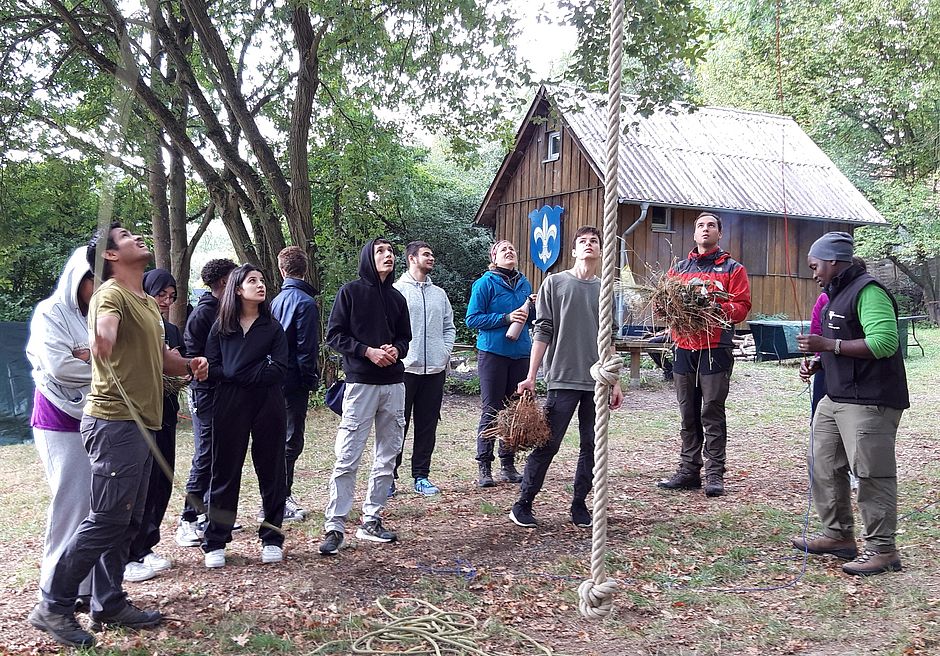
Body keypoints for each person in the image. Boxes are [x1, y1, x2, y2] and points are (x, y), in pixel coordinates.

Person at [28, 222, 207, 649]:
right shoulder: (110, 295)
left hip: (142, 423)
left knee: (127, 519)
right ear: (110, 256)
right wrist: (100, 343)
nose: (138, 236)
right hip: (114, 423)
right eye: (126, 236)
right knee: (107, 518)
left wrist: (190, 364)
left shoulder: (144, 300)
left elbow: (163, 359)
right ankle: (52, 605)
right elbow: (104, 329)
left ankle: (108, 601)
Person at [794, 232, 909, 576]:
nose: (813, 272)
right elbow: (838, 342)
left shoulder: (869, 291)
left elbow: (884, 342)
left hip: (871, 400)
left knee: (872, 473)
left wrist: (829, 347)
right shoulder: (834, 293)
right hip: (837, 395)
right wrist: (819, 360)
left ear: (832, 261)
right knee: (823, 462)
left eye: (815, 265)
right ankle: (838, 535)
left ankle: (882, 549)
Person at [510, 226, 624, 528]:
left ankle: (579, 504)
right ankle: (523, 503)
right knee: (549, 443)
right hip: (562, 376)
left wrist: (615, 381)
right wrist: (531, 376)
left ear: (600, 251)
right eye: (583, 242)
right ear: (573, 250)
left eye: (594, 242)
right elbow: (543, 330)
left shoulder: (605, 289)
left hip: (597, 381)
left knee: (592, 445)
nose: (589, 245)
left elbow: (610, 337)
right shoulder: (555, 283)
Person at [318, 238, 411, 556]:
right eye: (381, 251)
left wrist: (396, 349)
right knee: (348, 456)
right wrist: (367, 351)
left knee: (388, 456)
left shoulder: (398, 298)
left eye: (391, 252)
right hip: (360, 385)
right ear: (368, 258)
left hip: (394, 385)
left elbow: (405, 338)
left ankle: (371, 520)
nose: (388, 256)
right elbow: (334, 335)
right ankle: (335, 525)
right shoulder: (351, 292)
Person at [656, 212, 751, 497]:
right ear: (694, 234)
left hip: (715, 347)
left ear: (719, 233)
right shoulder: (680, 270)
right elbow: (664, 307)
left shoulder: (733, 269)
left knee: (711, 410)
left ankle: (714, 474)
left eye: (711, 225)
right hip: (684, 346)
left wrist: (715, 308)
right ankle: (688, 471)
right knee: (687, 411)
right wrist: (666, 308)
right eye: (700, 226)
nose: (705, 229)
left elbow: (743, 306)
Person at [202, 264, 289, 568]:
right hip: (229, 404)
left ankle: (272, 537)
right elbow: (211, 369)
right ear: (237, 289)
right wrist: (240, 371)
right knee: (224, 471)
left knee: (272, 470)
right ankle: (215, 540)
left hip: (268, 403)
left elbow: (279, 369)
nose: (261, 285)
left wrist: (237, 371)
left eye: (263, 280)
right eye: (253, 281)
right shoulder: (221, 327)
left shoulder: (273, 328)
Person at [26, 248, 95, 610]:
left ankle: (84, 589)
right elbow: (60, 367)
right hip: (59, 419)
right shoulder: (50, 313)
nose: (101, 286)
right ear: (77, 277)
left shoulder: (102, 315)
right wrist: (105, 362)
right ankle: (53, 591)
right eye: (94, 278)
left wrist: (87, 355)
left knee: (96, 507)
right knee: (71, 504)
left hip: (99, 417)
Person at [124, 269, 184, 583]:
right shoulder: (134, 325)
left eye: (172, 296)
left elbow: (178, 367)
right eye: (161, 294)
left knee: (163, 479)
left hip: (167, 413)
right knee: (140, 484)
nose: (166, 301)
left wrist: (184, 369)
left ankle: (148, 543)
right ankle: (130, 551)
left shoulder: (172, 330)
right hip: (140, 416)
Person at [174, 258, 237, 547]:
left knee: (224, 453)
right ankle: (188, 518)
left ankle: (212, 513)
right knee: (206, 456)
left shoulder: (232, 312)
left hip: (228, 395)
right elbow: (193, 357)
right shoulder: (203, 315)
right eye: (236, 278)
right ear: (224, 282)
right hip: (206, 395)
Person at [465, 240, 534, 488]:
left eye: (512, 249)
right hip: (493, 353)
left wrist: (534, 306)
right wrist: (506, 317)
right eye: (503, 249)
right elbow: (472, 319)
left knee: (514, 410)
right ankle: (484, 465)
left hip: (521, 353)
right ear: (494, 257)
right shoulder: (485, 283)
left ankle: (508, 463)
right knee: (492, 409)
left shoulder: (524, 284)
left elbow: (534, 319)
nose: (509, 251)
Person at [392, 241, 456, 496]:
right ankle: (389, 477)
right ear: (411, 258)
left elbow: (449, 327)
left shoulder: (439, 293)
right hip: (405, 370)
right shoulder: (397, 291)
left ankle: (421, 476)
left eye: (432, 254)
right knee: (398, 425)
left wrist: (444, 352)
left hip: (435, 372)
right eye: (426, 254)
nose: (431, 258)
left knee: (427, 426)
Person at [270, 246, 320, 522]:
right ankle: (282, 498)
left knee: (282, 438)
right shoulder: (305, 303)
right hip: (293, 381)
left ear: (282, 270)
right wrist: (309, 379)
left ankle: (279, 495)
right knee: (291, 439)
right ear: (305, 268)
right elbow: (306, 349)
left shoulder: (276, 301)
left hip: (276, 380)